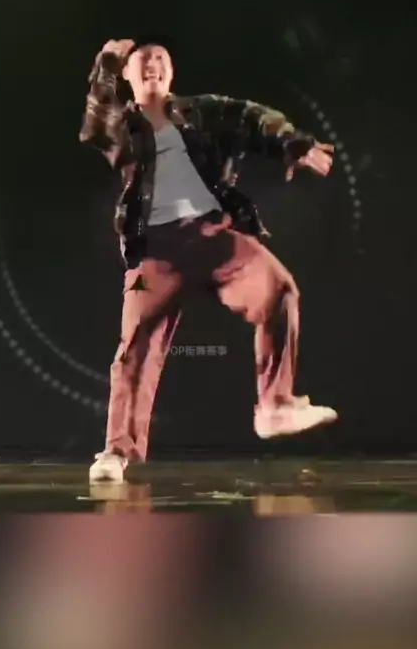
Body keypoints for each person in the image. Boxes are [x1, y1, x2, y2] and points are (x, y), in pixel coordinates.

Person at [80, 36, 337, 483]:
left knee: (278, 290)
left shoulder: (202, 112)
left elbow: (253, 116)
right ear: (129, 76)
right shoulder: (122, 126)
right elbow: (95, 124)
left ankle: (275, 404)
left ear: (172, 72)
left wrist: (293, 143)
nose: (152, 65)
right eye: (143, 61)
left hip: (213, 236)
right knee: (135, 345)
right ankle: (117, 451)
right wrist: (105, 66)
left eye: (160, 59)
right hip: (153, 253)